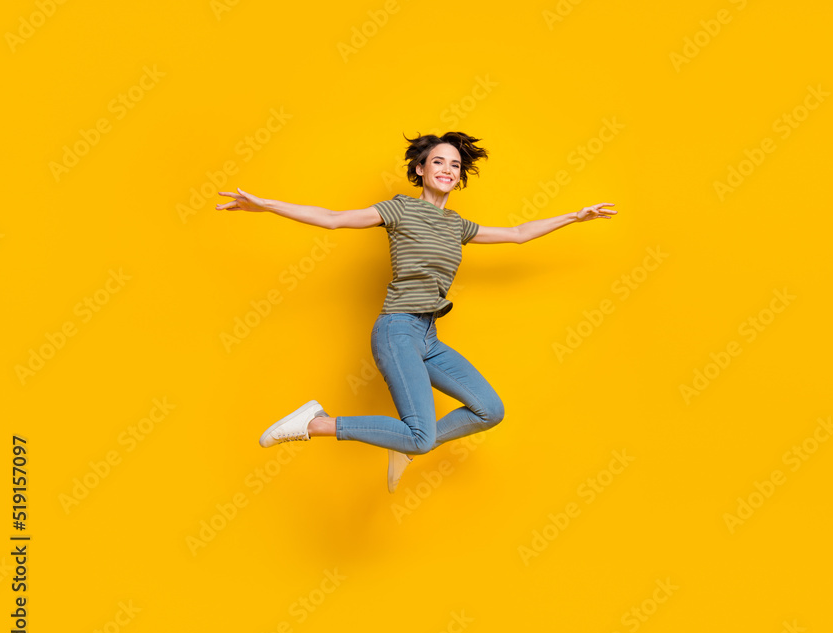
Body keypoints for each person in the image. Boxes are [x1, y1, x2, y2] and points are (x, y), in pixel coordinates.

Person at [216, 131, 617, 492]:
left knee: (490, 410)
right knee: (421, 436)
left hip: (428, 336)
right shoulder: (400, 210)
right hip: (398, 330)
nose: (447, 169)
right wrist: (265, 205)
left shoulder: (457, 225)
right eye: (438, 161)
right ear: (420, 168)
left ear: (460, 178)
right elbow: (335, 220)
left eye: (455, 165)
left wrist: (575, 216)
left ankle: (402, 447)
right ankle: (315, 422)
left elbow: (517, 234)